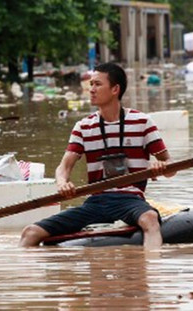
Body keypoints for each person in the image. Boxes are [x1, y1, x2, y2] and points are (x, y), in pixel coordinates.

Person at [20, 62, 173, 248]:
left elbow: (169, 166)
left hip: (131, 200)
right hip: (95, 201)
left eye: (97, 84)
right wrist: (62, 183)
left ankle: (150, 270)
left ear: (115, 89)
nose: (91, 89)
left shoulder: (143, 122)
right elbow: (64, 167)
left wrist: (160, 166)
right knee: (30, 233)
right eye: (91, 84)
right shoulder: (83, 127)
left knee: (150, 219)